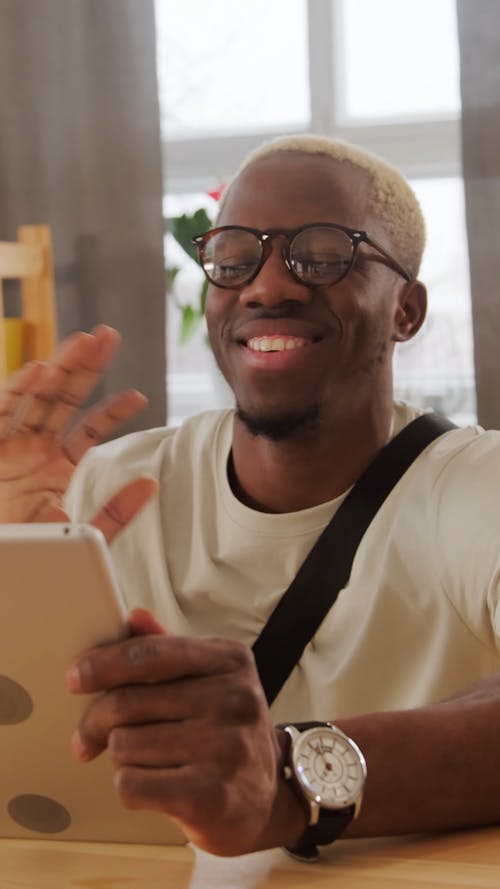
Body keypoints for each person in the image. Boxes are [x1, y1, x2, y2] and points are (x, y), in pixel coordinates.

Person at [1, 133, 500, 858]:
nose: (268, 285)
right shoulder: (99, 488)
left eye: (324, 252)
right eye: (235, 255)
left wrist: (286, 780)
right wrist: (9, 573)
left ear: (406, 310)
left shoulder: (473, 485)